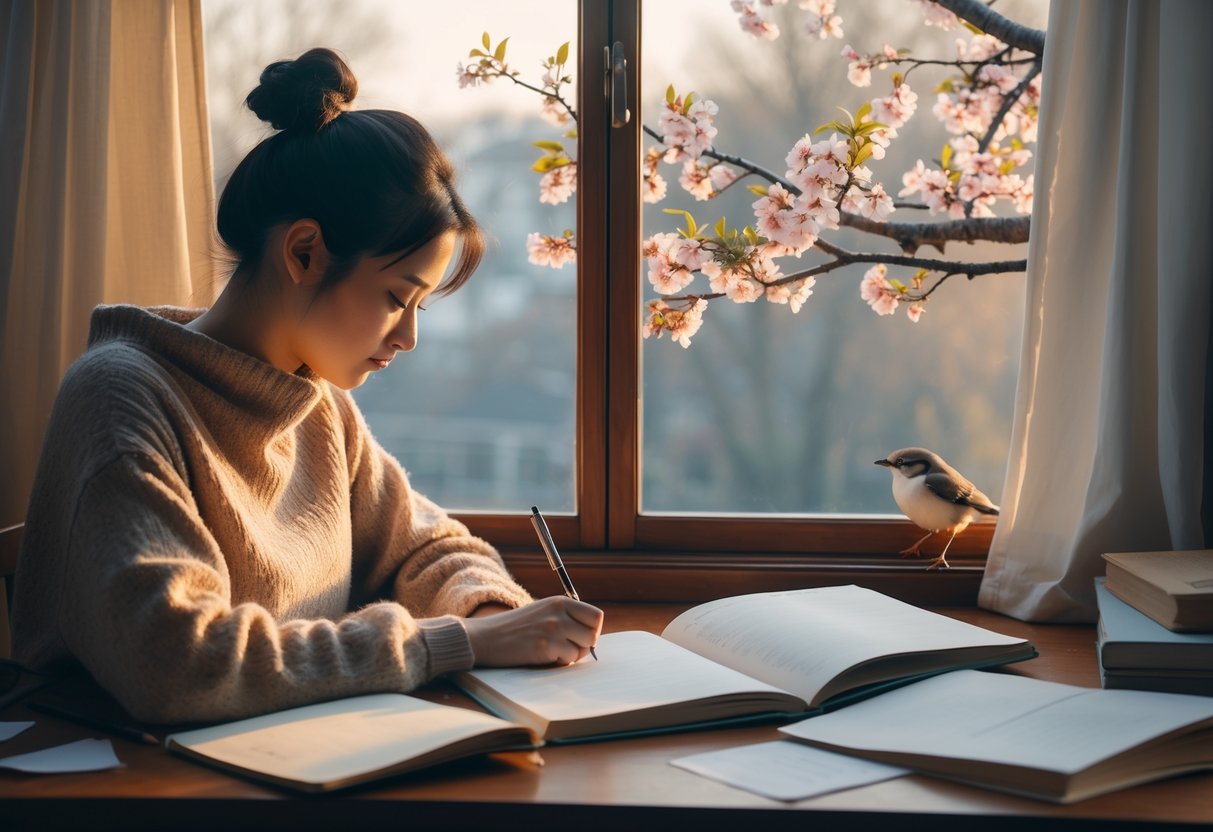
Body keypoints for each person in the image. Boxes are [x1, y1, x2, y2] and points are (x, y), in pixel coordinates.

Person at [11, 47, 602, 724]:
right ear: (302, 252)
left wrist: (492, 613)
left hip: (281, 759)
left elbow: (430, 547)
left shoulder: (317, 404)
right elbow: (178, 664)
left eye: (420, 308)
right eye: (394, 297)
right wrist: (455, 642)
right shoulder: (119, 398)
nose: (407, 338)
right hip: (128, 784)